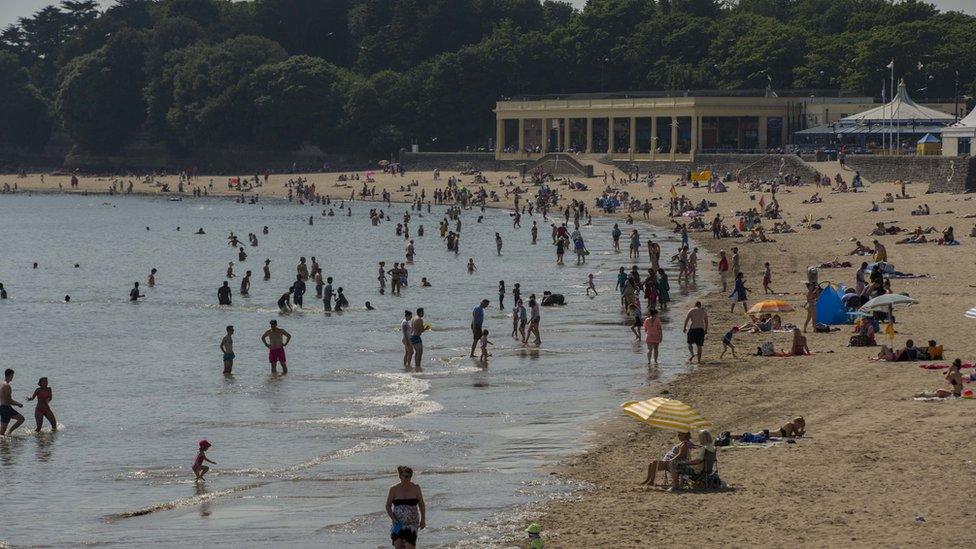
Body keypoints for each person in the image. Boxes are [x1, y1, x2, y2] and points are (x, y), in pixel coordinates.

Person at [386, 466, 426, 549]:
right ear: (400, 476)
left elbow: (421, 504)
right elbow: (388, 506)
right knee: (398, 546)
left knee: (409, 547)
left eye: (410, 476)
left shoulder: (416, 488)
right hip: (397, 523)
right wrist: (393, 518)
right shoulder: (394, 489)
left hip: (412, 523)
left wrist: (423, 520)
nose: (408, 478)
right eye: (406, 476)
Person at [0, 368, 25, 436]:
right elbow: (9, 400)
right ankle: (3, 444)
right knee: (2, 433)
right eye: (12, 376)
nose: (13, 377)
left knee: (21, 419)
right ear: (10, 375)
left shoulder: (1, 383)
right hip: (6, 409)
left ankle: (9, 432)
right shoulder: (7, 386)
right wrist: (18, 404)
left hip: (4, 407)